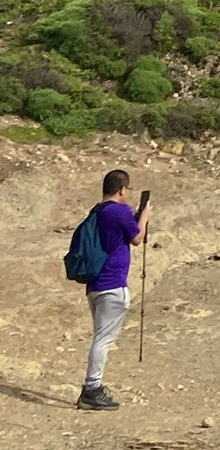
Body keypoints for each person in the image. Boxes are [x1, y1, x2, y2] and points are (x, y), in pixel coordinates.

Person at [76, 168, 151, 411]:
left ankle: (92, 387)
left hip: (95, 284)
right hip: (113, 284)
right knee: (103, 339)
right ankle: (92, 388)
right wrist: (144, 217)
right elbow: (137, 238)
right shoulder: (119, 211)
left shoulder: (97, 211)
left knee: (100, 336)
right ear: (122, 189)